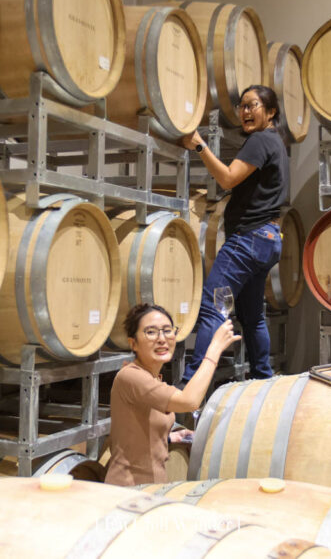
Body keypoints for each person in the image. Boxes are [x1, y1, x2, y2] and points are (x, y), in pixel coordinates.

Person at [180, 84, 289, 382]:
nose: (245, 111)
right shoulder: (275, 142)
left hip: (247, 242)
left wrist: (199, 145)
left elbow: (228, 179)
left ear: (271, 112)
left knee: (213, 308)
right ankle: (262, 379)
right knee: (252, 317)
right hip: (266, 241)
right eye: (242, 106)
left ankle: (192, 385)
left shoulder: (260, 140)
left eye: (253, 105)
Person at [104, 303, 239, 486]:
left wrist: (168, 438)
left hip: (151, 487)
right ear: (133, 343)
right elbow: (189, 401)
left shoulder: (153, 379)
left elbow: (134, 428)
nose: (162, 339)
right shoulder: (131, 376)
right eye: (151, 332)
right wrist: (214, 350)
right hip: (129, 489)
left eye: (167, 330)